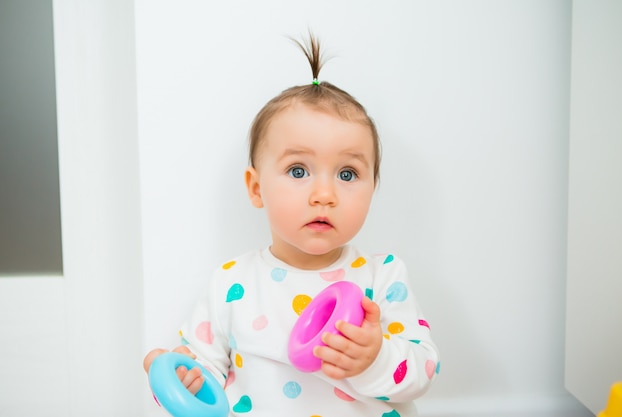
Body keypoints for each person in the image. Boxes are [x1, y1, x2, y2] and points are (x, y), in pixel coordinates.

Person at [143, 33, 440, 417]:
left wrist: (376, 358)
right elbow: (204, 376)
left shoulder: (381, 278)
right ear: (256, 187)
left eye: (347, 174)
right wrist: (183, 378)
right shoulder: (233, 283)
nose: (324, 194)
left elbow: (423, 371)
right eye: (298, 170)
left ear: (373, 188)